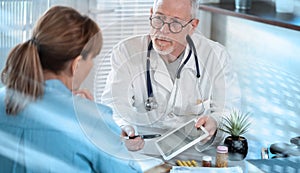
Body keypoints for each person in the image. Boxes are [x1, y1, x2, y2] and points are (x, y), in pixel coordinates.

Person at [0, 6, 143, 172]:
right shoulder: (91, 120)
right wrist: (98, 122)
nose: (91, 65)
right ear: (76, 65)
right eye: (92, 59)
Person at [101, 0, 241, 153]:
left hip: (195, 153)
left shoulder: (216, 56)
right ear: (150, 14)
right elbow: (114, 105)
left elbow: (229, 110)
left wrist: (215, 121)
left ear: (192, 26)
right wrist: (123, 127)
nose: (163, 30)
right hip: (145, 151)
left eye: (175, 23)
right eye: (158, 19)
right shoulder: (126, 51)